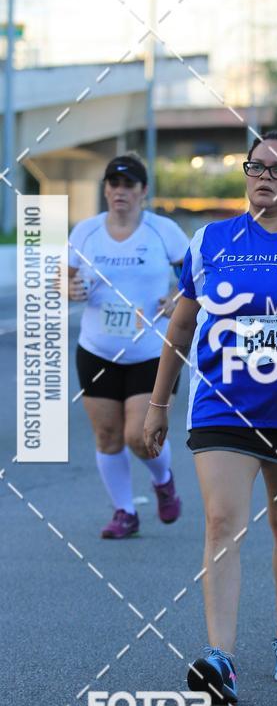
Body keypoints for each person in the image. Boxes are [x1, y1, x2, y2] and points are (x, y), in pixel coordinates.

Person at [143, 130, 277, 703]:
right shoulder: (211, 239)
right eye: (254, 166)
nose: (263, 176)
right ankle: (221, 657)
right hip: (224, 404)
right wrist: (158, 402)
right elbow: (182, 325)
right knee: (221, 523)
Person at [68, 153, 189, 539]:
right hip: (97, 350)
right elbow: (64, 279)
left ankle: (163, 479)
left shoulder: (163, 231)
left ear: (143, 191)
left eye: (129, 185)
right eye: (114, 184)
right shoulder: (85, 232)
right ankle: (124, 512)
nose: (120, 191)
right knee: (107, 435)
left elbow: (196, 275)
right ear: (105, 189)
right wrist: (68, 288)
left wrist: (176, 294)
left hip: (152, 351)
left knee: (139, 436)